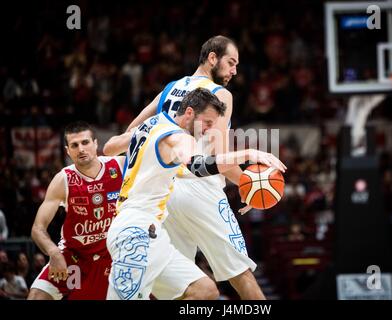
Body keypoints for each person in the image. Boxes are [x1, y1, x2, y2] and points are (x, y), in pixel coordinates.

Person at [115, 35, 266, 300]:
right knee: (240, 273)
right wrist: (249, 184)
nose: (234, 71)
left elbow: (132, 132)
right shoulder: (221, 95)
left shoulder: (170, 88)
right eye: (231, 62)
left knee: (178, 289)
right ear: (212, 58)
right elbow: (220, 156)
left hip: (167, 193)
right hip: (201, 186)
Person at [104, 88, 286, 300]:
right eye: (207, 123)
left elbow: (109, 148)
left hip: (152, 231)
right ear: (189, 113)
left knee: (204, 291)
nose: (209, 130)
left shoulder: (151, 124)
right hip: (136, 231)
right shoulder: (179, 137)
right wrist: (249, 154)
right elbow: (198, 167)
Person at [28, 121, 125, 300]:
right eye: (74, 145)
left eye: (85, 142)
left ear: (96, 144)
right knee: (36, 296)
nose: (81, 149)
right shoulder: (63, 179)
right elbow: (37, 228)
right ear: (68, 151)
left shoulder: (119, 166)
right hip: (74, 258)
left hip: (112, 256)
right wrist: (54, 253)